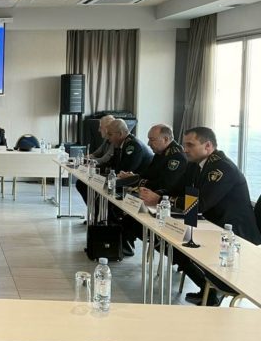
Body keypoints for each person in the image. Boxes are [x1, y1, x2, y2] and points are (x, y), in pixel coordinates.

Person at [139, 126, 260, 305]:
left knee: (181, 247)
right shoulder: (195, 164)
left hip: (233, 232)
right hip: (211, 224)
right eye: (184, 144)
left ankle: (212, 291)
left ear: (208, 146)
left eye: (190, 145)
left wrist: (161, 199)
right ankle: (206, 287)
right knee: (170, 243)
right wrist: (156, 194)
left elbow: (201, 204)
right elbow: (176, 189)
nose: (185, 149)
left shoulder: (221, 168)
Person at [117, 124, 188, 255]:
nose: (149, 143)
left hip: (165, 202)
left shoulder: (176, 157)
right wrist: (134, 176)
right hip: (153, 195)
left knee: (128, 211)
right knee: (120, 203)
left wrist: (138, 181)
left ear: (165, 139)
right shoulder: (161, 153)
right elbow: (148, 174)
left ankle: (134, 244)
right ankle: (122, 244)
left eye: (152, 139)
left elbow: (165, 185)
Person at [75, 114, 115, 204]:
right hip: (101, 170)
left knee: (83, 184)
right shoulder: (106, 140)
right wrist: (84, 158)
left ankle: (95, 209)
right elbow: (96, 153)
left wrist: (89, 162)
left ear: (107, 128)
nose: (98, 130)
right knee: (81, 183)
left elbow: (104, 159)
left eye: (100, 127)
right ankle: (93, 209)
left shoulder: (114, 141)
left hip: (108, 174)